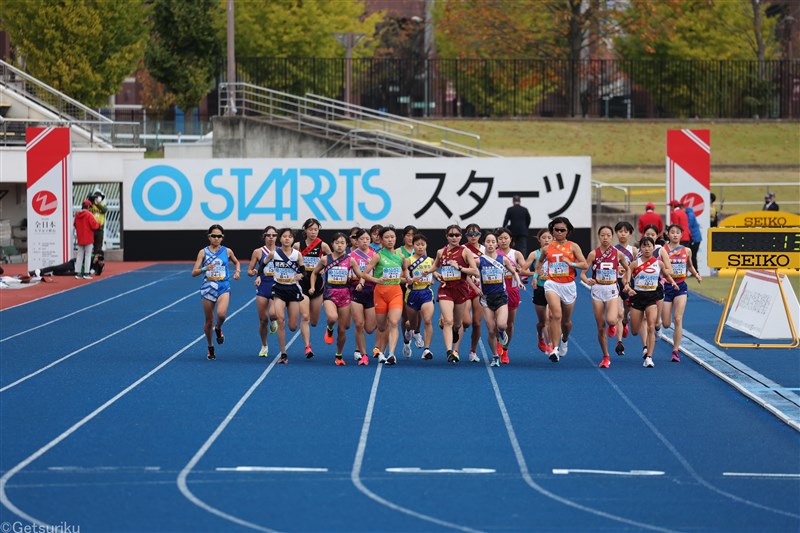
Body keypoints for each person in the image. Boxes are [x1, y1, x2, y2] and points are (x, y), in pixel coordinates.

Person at [534, 216, 588, 363]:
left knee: (566, 322)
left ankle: (564, 338)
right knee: (555, 315)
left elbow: (585, 265)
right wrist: (535, 275)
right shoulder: (547, 248)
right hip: (552, 284)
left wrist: (571, 263)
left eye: (562, 230)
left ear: (568, 231)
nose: (558, 232)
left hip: (568, 285)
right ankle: (555, 349)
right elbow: (539, 262)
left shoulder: (573, 246)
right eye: (555, 230)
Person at [424, 224, 479, 363]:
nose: (454, 238)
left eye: (457, 235)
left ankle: (455, 330)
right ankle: (449, 352)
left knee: (458, 323)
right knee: (448, 320)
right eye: (451, 235)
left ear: (461, 236)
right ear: (446, 236)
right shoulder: (440, 252)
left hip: (460, 289)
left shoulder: (465, 251)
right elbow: (436, 265)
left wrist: (459, 267)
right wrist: (428, 271)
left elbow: (474, 271)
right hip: (445, 289)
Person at [624, 236, 679, 368]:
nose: (647, 249)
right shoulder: (634, 263)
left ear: (654, 248)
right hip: (637, 297)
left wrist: (673, 283)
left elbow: (666, 274)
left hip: (651, 298)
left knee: (650, 326)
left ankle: (649, 357)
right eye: (644, 246)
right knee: (635, 331)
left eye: (649, 246)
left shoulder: (658, 263)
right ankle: (628, 317)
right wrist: (627, 286)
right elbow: (626, 278)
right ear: (640, 249)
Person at [309, 232, 363, 366]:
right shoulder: (325, 259)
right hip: (329, 294)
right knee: (332, 317)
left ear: (346, 245)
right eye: (337, 243)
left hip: (345, 294)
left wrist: (361, 283)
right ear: (332, 244)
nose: (340, 245)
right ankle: (329, 328)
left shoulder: (350, 260)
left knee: (343, 329)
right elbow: (314, 273)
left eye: (342, 243)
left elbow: (361, 275)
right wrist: (312, 286)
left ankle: (339, 355)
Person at [581, 226, 630, 369]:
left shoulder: (618, 254)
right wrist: (587, 280)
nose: (605, 238)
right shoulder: (592, 254)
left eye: (608, 235)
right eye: (603, 235)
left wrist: (626, 282)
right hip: (597, 290)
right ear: (599, 236)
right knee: (601, 326)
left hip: (612, 289)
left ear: (612, 237)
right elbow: (583, 273)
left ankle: (613, 325)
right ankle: (606, 356)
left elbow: (628, 269)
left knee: (611, 319)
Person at [191, 225, 241, 360]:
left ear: (222, 237)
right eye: (214, 236)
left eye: (219, 236)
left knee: (221, 314)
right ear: (209, 237)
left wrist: (237, 271)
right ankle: (210, 346)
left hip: (223, 286)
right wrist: (204, 268)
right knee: (208, 321)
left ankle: (218, 328)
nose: (216, 238)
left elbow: (237, 262)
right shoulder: (203, 252)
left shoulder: (227, 251)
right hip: (208, 287)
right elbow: (193, 273)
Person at [360, 226, 408, 365]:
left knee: (393, 322)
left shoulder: (401, 256)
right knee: (381, 326)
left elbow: (405, 273)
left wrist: (409, 279)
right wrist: (377, 280)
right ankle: (381, 350)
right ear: (381, 240)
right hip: (380, 293)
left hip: (395, 292)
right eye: (386, 237)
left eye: (392, 237)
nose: (390, 240)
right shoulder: (378, 256)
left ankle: (392, 354)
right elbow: (364, 273)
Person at [474, 232, 521, 367]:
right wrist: (475, 287)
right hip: (486, 299)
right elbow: (467, 275)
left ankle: (501, 334)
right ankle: (495, 356)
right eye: (487, 242)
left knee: (501, 325)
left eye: (493, 242)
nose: (490, 244)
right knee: (490, 330)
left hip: (501, 296)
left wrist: (518, 282)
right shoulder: (479, 260)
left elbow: (514, 271)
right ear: (484, 244)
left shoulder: (503, 259)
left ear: (497, 244)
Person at [263, 228, 306, 364]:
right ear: (280, 239)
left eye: (290, 237)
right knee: (280, 320)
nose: (287, 239)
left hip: (293, 289)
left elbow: (304, 271)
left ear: (293, 240)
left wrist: (301, 275)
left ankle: (289, 323)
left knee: (292, 326)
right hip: (279, 289)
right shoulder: (274, 253)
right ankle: (283, 354)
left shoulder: (297, 254)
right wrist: (258, 275)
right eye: (284, 236)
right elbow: (262, 266)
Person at [661, 224, 702, 363]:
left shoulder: (687, 250)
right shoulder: (663, 250)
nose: (675, 235)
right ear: (668, 234)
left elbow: (689, 265)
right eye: (672, 232)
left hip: (681, 286)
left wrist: (696, 274)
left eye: (678, 232)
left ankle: (675, 350)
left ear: (681, 235)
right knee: (666, 324)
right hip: (666, 287)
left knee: (678, 319)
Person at [296, 218, 331, 358]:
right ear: (305, 230)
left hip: (317, 285)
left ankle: (328, 328)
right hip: (302, 285)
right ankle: (307, 347)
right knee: (305, 317)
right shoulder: (298, 246)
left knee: (314, 321)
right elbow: (290, 261)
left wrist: (325, 268)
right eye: (310, 229)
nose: (313, 232)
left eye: (316, 229)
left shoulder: (323, 246)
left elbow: (333, 261)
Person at [247, 226, 279, 358]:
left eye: (273, 235)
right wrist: (255, 273)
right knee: (263, 320)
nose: (271, 237)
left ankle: (274, 320)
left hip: (277, 286)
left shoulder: (281, 251)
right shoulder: (258, 252)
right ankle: (264, 345)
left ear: (277, 237)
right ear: (264, 237)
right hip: (262, 287)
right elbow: (249, 271)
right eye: (268, 235)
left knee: (272, 314)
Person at [496, 227, 527, 364]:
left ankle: (506, 349)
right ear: (497, 240)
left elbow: (525, 269)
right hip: (496, 290)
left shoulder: (516, 254)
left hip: (512, 290)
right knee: (498, 322)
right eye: (501, 238)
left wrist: (520, 270)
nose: (503, 241)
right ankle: (498, 343)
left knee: (510, 323)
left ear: (511, 240)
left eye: (506, 238)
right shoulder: (493, 253)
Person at [403, 233, 435, 361]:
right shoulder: (408, 260)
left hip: (426, 293)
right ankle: (408, 331)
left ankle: (426, 349)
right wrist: (408, 278)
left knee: (427, 320)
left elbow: (434, 271)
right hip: (412, 294)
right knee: (412, 323)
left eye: (423, 245)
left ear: (426, 245)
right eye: (418, 244)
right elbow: (404, 272)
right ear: (413, 245)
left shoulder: (430, 260)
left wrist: (435, 276)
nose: (420, 247)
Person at [348, 229, 377, 366]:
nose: (365, 241)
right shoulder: (350, 256)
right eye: (362, 239)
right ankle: (362, 353)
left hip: (371, 291)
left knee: (370, 328)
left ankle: (363, 347)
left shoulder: (375, 255)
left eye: (367, 239)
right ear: (356, 241)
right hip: (355, 291)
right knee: (358, 323)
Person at [523, 228, 553, 354]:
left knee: (551, 317)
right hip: (539, 289)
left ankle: (551, 345)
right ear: (539, 239)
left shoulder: (557, 254)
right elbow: (522, 270)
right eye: (544, 238)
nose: (546, 240)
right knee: (542, 321)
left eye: (549, 238)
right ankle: (540, 335)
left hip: (554, 288)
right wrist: (534, 273)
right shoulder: (534, 254)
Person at [459, 223, 484, 363]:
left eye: (475, 234)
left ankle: (473, 351)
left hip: (480, 290)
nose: (473, 237)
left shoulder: (485, 249)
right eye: (469, 234)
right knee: (466, 321)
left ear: (480, 235)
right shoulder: (461, 249)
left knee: (477, 323)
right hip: (465, 287)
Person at [612, 221, 637, 357]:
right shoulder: (612, 250)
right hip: (615, 283)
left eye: (625, 232)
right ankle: (619, 343)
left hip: (629, 283)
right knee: (619, 314)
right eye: (620, 231)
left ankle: (626, 321)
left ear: (630, 234)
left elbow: (637, 267)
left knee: (628, 311)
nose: (623, 234)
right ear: (616, 233)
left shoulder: (633, 250)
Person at [74, 199, 100, 279]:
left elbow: (75, 224)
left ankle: (78, 273)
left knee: (79, 255)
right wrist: (99, 224)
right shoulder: (89, 215)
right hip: (88, 238)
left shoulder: (77, 215)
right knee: (88, 255)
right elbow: (94, 226)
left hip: (80, 238)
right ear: (88, 206)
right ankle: (86, 273)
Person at [88, 190, 108, 257]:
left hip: (100, 229)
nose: (97, 198)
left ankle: (97, 264)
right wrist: (90, 200)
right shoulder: (90, 205)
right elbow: (85, 208)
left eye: (99, 197)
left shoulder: (102, 205)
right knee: (89, 247)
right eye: (96, 197)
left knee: (98, 247)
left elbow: (105, 210)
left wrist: (97, 204)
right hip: (91, 229)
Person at [685, 205, 702, 273]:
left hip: (695, 239)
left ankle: (695, 271)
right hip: (696, 238)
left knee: (693, 255)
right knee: (693, 255)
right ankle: (695, 270)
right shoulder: (691, 214)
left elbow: (689, 225)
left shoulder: (690, 215)